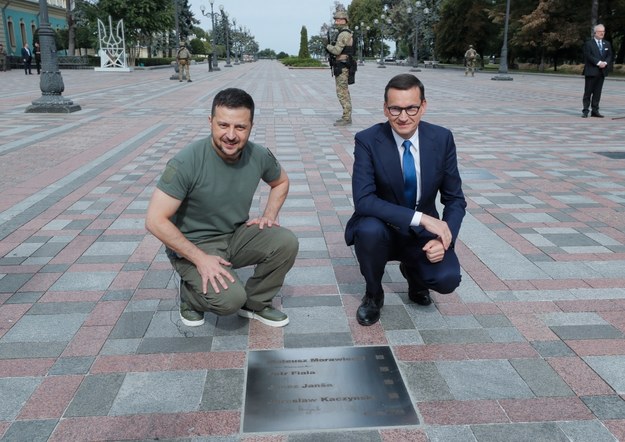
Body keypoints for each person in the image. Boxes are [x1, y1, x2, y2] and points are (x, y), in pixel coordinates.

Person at [145, 88, 299, 328]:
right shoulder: (187, 161)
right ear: (210, 122)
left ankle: (256, 304)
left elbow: (281, 181)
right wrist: (200, 258)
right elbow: (155, 220)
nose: (230, 135)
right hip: (194, 245)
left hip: (235, 235)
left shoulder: (257, 155)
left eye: (240, 127)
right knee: (229, 302)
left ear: (250, 125)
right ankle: (190, 296)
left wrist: (269, 216)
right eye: (223, 125)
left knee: (285, 241)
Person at [345, 74, 466, 326]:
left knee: (447, 279)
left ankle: (415, 277)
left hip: (421, 235)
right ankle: (373, 293)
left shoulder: (441, 139)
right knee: (367, 229)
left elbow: (455, 199)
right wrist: (424, 219)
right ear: (385, 108)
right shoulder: (368, 140)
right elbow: (364, 200)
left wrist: (445, 237)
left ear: (423, 106)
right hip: (383, 229)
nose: (403, 116)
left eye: (411, 108)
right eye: (395, 108)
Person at [326, 9, 354, 127]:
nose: (336, 22)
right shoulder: (346, 33)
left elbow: (337, 50)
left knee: (342, 92)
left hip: (342, 66)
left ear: (344, 20)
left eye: (338, 20)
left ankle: (347, 118)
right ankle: (346, 116)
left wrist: (328, 46)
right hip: (343, 65)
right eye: (336, 20)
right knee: (344, 91)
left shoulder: (343, 34)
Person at [582, 24, 612, 118]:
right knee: (588, 92)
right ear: (595, 33)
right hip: (591, 71)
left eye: (603, 31)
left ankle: (595, 110)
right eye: (600, 31)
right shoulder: (589, 44)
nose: (602, 33)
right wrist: (598, 62)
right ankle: (585, 110)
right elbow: (588, 55)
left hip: (602, 71)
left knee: (597, 92)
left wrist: (605, 63)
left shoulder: (607, 44)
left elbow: (610, 55)